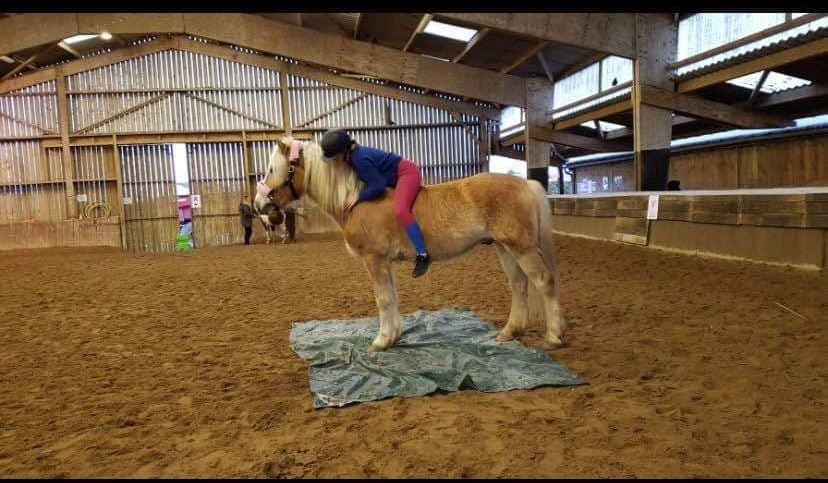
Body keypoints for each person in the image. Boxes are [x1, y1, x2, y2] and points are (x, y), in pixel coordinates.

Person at [320, 128, 431, 278]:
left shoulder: (359, 159)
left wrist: (359, 195)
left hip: (406, 173)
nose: (334, 161)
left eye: (335, 157)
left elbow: (378, 184)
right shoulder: (354, 158)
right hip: (396, 176)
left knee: (401, 210)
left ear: (344, 152)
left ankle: (422, 254)